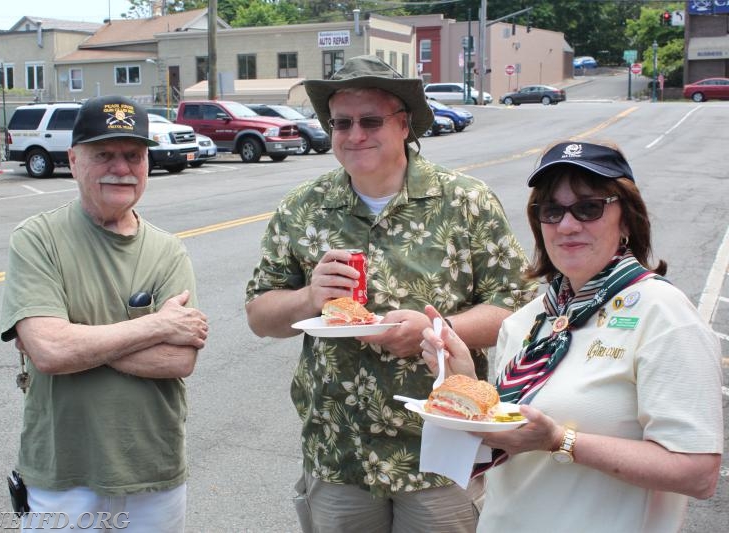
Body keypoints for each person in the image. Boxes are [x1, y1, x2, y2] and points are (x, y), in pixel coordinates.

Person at [244, 55, 536, 532]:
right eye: (342, 122)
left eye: (371, 120)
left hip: (443, 449)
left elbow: (518, 310)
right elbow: (259, 315)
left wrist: (437, 331)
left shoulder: (466, 202)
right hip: (340, 453)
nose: (354, 133)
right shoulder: (302, 209)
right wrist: (308, 298)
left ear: (404, 124)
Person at [421, 140, 724, 532]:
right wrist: (462, 383)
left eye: (588, 207)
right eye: (552, 210)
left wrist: (560, 441)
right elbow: (500, 455)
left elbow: (698, 474)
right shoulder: (529, 320)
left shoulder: (664, 314)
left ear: (627, 219)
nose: (567, 225)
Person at [0, 95, 209, 531]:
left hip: (153, 471)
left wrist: (71, 339)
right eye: (104, 155)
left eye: (133, 155)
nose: (121, 167)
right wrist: (157, 325)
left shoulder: (168, 251)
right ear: (74, 160)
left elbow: (178, 360)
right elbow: (50, 353)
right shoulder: (37, 239)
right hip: (63, 473)